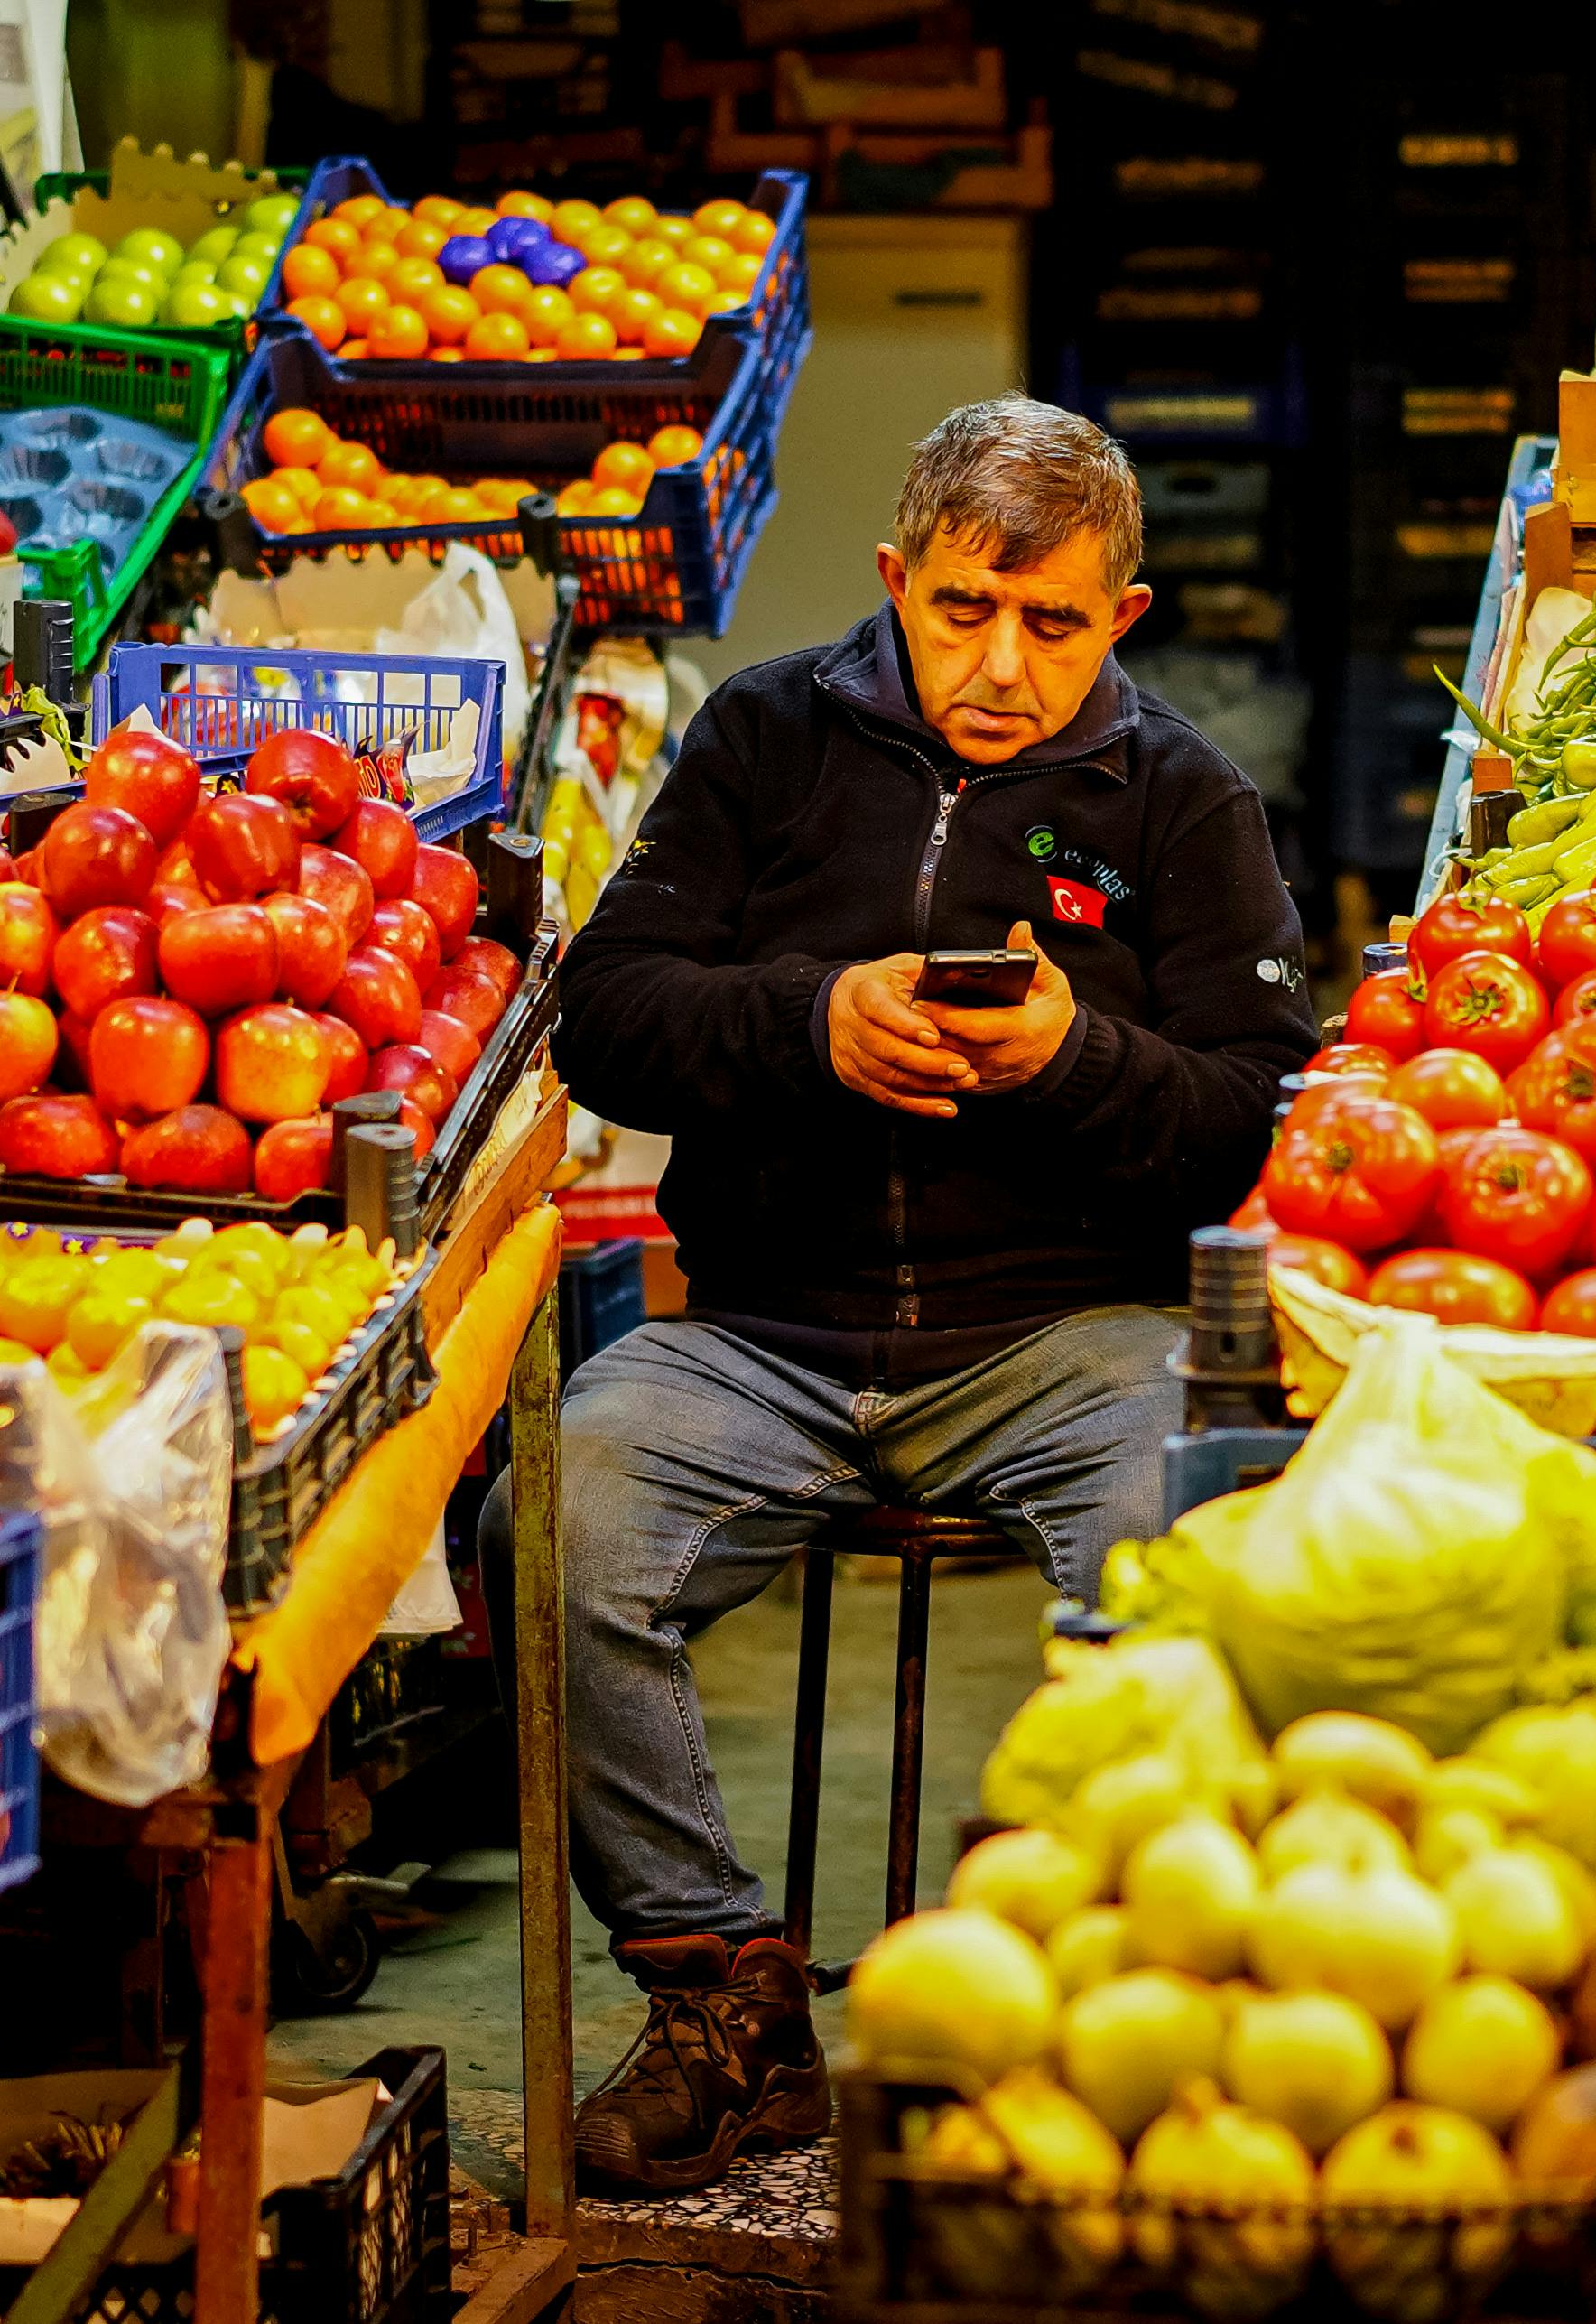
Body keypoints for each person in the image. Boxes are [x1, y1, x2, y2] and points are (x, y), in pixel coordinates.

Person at [535, 394, 1316, 2190]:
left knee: (1171, 1551)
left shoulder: (1186, 802)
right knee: (563, 1512)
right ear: (896, 582)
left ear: (1120, 617)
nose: (1000, 663)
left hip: (1067, 1343)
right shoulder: (762, 740)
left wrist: (1071, 1059)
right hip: (758, 1339)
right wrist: (812, 1022)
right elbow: (609, 1010)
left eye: (1052, 625)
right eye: (964, 609)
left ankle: (1068, 1983)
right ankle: (721, 2002)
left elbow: (1256, 1121)